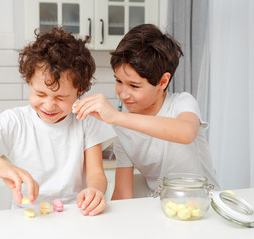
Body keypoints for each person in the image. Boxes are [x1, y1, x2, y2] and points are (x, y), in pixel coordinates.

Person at [0, 27, 116, 216]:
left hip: (75, 215)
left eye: (61, 98)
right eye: (40, 94)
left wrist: (95, 191)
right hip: (27, 218)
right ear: (29, 82)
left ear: (80, 91)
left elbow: (96, 174)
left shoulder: (86, 120)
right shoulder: (14, 121)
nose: (49, 105)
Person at [72, 24, 219, 200]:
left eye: (134, 86)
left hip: (206, 203)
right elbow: (122, 194)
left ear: (163, 82)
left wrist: (116, 117)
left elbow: (186, 133)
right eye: (119, 81)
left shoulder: (181, 103)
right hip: (163, 208)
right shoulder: (123, 129)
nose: (123, 94)